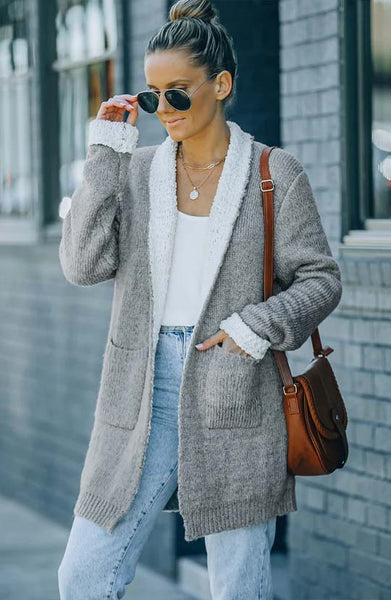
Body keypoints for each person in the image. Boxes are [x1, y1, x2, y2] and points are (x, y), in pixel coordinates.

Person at [57, 0, 343, 598]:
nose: (165, 109)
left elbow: (320, 278)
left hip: (234, 387)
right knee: (83, 574)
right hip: (139, 389)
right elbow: (83, 265)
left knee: (238, 585)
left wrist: (254, 326)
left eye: (179, 93)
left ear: (221, 84)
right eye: (154, 95)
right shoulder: (134, 173)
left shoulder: (273, 172)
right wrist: (105, 155)